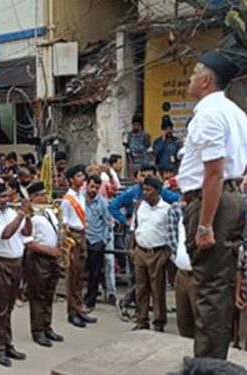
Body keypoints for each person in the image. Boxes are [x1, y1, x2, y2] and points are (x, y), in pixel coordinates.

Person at [178, 50, 247, 359]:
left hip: (212, 203)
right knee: (216, 286)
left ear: (206, 80)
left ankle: (206, 366)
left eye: (194, 73)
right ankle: (210, 361)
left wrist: (204, 224)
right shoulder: (236, 112)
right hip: (225, 199)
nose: (190, 79)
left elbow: (215, 173)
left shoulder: (208, 113)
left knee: (209, 290)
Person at [0, 183, 31, 367]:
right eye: (2, 197)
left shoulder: (10, 212)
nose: (7, 199)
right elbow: (6, 233)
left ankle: (8, 344)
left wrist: (28, 215)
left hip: (16, 264)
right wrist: (21, 213)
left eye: (7, 196)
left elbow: (27, 232)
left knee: (8, 308)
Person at [23, 182, 64, 348]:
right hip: (39, 258)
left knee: (49, 294)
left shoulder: (49, 212)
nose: (44, 197)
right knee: (38, 296)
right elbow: (28, 242)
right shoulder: (31, 216)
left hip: (52, 258)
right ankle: (37, 330)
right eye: (40, 195)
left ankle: (47, 326)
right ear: (32, 198)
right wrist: (48, 250)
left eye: (44, 193)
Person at [129, 177, 171, 332]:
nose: (145, 193)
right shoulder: (140, 206)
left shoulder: (166, 209)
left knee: (158, 290)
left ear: (157, 191)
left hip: (158, 252)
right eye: (143, 190)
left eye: (148, 190)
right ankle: (142, 320)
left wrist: (167, 254)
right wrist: (131, 248)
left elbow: (172, 233)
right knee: (141, 288)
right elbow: (134, 227)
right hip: (141, 250)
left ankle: (159, 323)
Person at [61, 165, 97, 328]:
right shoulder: (67, 201)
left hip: (82, 234)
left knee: (81, 274)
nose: (82, 179)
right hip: (73, 236)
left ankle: (79, 308)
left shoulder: (81, 195)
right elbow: (64, 224)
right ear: (70, 180)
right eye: (78, 176)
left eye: (82, 176)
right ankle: (72, 312)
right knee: (73, 275)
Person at [167, 200, 197, 339]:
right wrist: (178, 260)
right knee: (183, 322)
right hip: (181, 273)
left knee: (201, 321)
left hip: (198, 276)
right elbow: (173, 240)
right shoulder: (179, 211)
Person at [83, 175, 113, 310]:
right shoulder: (79, 200)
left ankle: (90, 302)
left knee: (94, 274)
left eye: (96, 187)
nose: (94, 190)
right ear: (86, 185)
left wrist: (103, 240)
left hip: (96, 241)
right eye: (92, 186)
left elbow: (108, 223)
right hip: (82, 240)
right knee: (79, 273)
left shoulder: (103, 203)